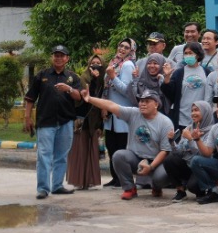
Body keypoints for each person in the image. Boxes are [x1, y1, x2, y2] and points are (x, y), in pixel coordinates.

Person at [82, 88, 174, 200]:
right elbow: (111, 105)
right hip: (136, 158)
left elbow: (165, 151)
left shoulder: (165, 122)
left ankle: (156, 186)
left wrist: (150, 167)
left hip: (156, 161)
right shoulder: (133, 113)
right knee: (119, 156)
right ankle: (129, 188)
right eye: (141, 101)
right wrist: (89, 98)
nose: (143, 104)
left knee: (162, 177)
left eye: (147, 101)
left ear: (156, 104)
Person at [24, 45, 82, 199]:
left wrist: (68, 89)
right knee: (44, 155)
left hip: (65, 121)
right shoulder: (42, 75)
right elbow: (30, 98)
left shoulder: (72, 77)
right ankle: (43, 188)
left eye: (62, 55)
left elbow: (79, 97)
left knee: (61, 155)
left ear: (67, 59)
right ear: (52, 57)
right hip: (46, 122)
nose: (58, 58)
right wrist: (27, 117)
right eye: (56, 55)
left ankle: (57, 185)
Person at [162, 100, 214, 202]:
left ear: (205, 112)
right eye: (192, 110)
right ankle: (180, 191)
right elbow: (178, 152)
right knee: (169, 159)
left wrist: (191, 139)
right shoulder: (189, 128)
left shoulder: (212, 130)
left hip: (202, 167)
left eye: (196, 110)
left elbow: (203, 155)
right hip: (189, 164)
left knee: (193, 186)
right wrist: (172, 142)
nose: (193, 113)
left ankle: (204, 190)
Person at [67, 54, 105, 190]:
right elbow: (88, 98)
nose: (95, 65)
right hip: (82, 119)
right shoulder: (83, 78)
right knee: (80, 150)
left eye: (98, 63)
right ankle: (79, 180)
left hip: (94, 120)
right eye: (93, 63)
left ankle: (89, 180)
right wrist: (94, 81)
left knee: (91, 151)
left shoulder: (103, 80)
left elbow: (101, 101)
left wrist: (100, 123)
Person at [102, 38, 136, 187]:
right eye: (120, 46)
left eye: (126, 48)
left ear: (132, 51)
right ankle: (115, 178)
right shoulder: (114, 63)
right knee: (111, 146)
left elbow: (127, 91)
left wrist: (113, 77)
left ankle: (123, 179)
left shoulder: (128, 65)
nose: (122, 49)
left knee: (121, 149)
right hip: (110, 115)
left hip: (121, 114)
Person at [162, 41, 212, 130]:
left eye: (190, 53)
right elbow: (170, 94)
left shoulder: (206, 72)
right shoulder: (178, 73)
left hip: (201, 118)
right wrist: (167, 78)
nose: (188, 55)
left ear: (197, 55)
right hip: (182, 118)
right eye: (185, 53)